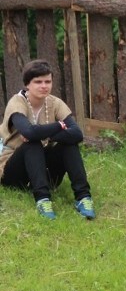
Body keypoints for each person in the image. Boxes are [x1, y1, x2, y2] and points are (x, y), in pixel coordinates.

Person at [0, 59, 95, 220]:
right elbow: (29, 133)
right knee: (31, 143)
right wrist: (59, 125)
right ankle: (43, 199)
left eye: (47, 81)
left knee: (69, 143)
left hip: (44, 170)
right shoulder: (17, 103)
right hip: (14, 172)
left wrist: (47, 134)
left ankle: (83, 197)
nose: (44, 86)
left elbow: (77, 134)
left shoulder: (55, 103)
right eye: (38, 82)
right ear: (27, 84)